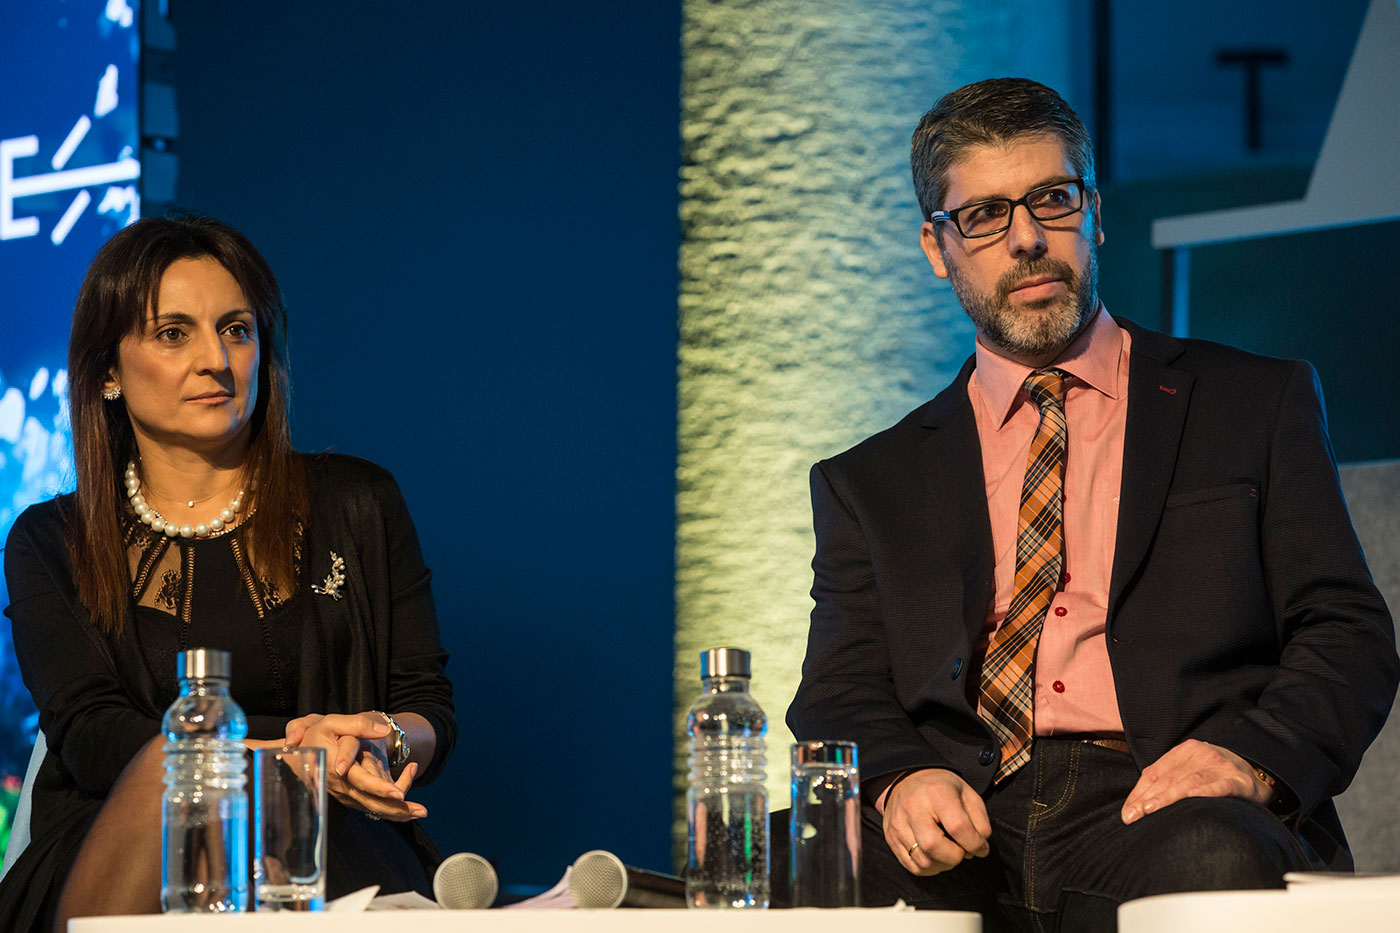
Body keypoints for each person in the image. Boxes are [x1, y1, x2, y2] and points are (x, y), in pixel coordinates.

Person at [786, 78, 1397, 931]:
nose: (1027, 238)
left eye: (1053, 198)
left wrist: (1252, 759)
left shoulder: (1253, 402)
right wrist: (899, 778)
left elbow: (1346, 631)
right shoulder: (869, 479)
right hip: (962, 808)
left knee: (1213, 858)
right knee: (793, 855)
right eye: (984, 215)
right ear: (937, 247)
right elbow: (839, 687)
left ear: (1095, 212)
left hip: (1161, 799)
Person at [0, 216, 455, 932]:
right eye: (173, 333)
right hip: (121, 836)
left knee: (286, 831)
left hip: (323, 833)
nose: (215, 359)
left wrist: (377, 740)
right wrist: (287, 760)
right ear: (108, 371)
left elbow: (427, 707)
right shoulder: (50, 539)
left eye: (236, 330)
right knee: (167, 765)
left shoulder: (358, 500)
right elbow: (92, 735)